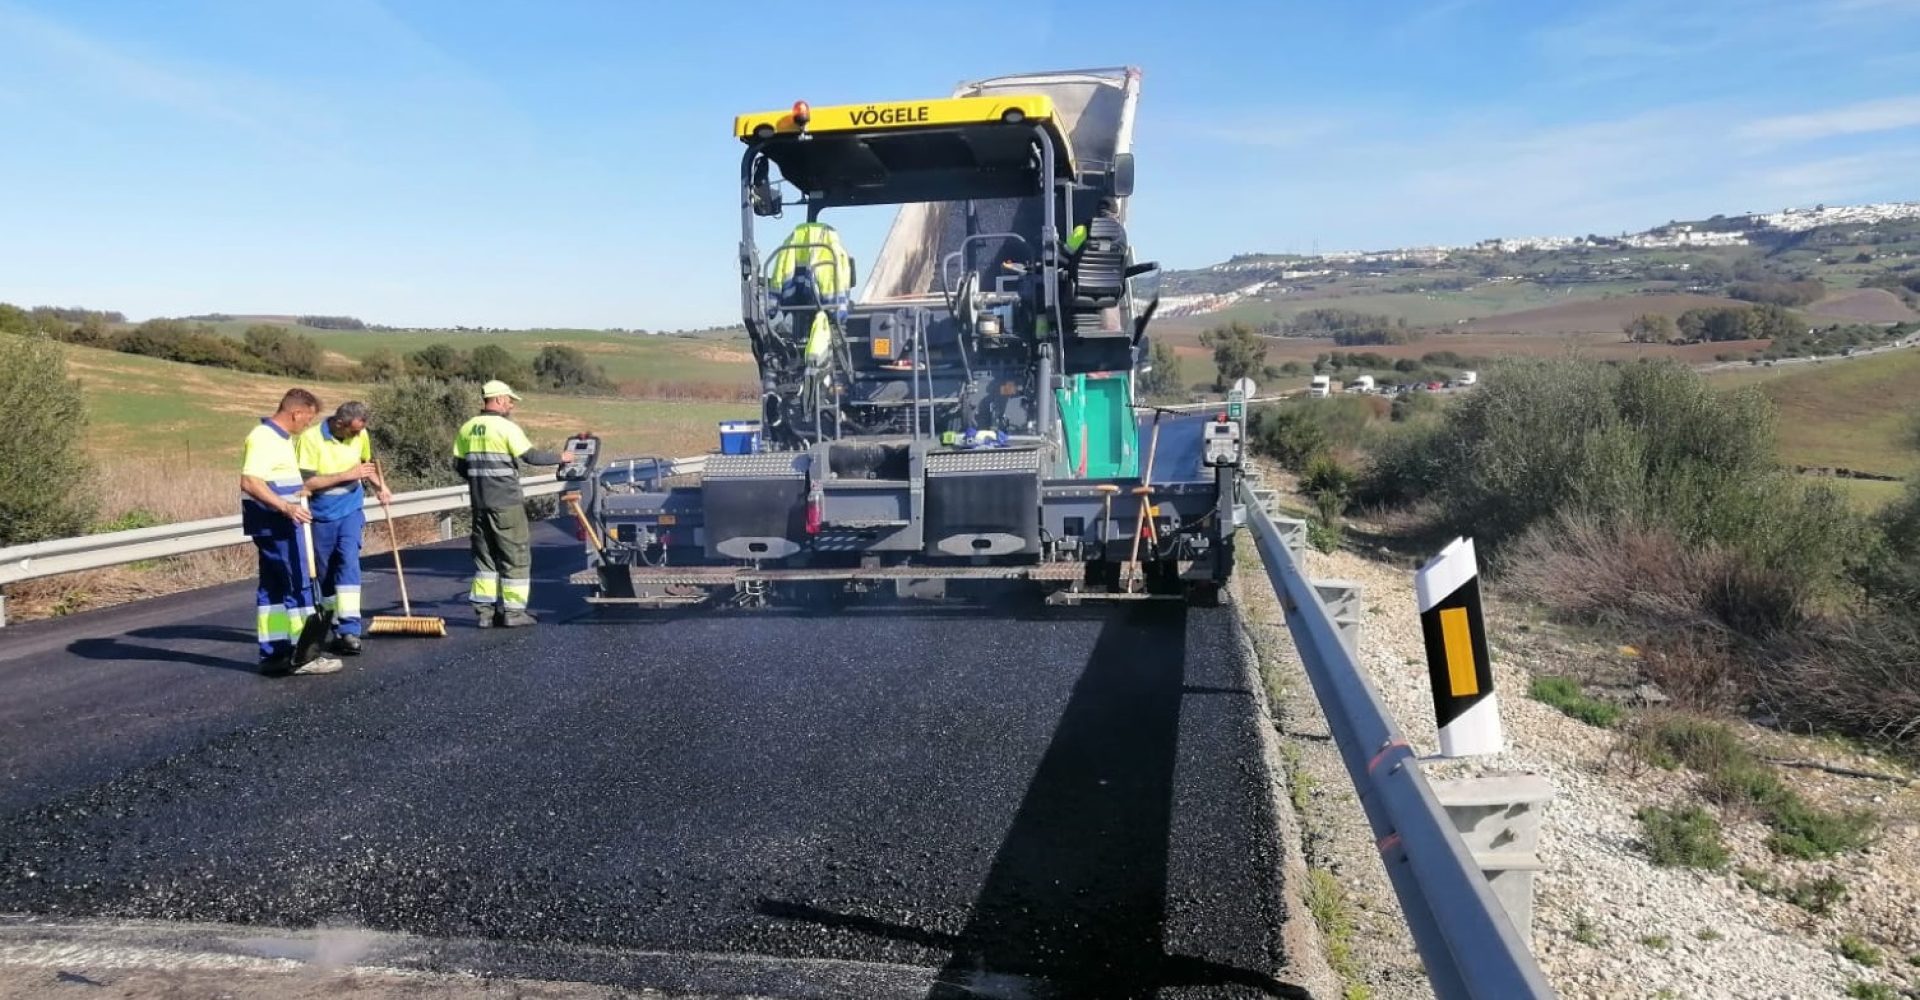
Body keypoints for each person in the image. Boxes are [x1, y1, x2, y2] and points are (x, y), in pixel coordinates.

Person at [240, 388, 342, 676]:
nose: (307, 425)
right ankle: (305, 654)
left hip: (276, 521)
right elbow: (250, 482)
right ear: (296, 412)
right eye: (307, 419)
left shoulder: (280, 439)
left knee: (272, 588)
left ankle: (274, 653)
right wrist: (286, 508)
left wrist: (300, 495)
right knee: (298, 583)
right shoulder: (264, 438)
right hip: (277, 523)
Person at [451, 380, 562, 628]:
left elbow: (459, 466)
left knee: (485, 560)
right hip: (506, 502)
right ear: (499, 399)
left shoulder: (468, 427)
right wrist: (562, 458)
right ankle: (513, 613)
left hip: (480, 504)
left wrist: (482, 481)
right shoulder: (505, 427)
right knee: (515, 556)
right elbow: (531, 456)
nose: (511, 404)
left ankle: (485, 613)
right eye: (510, 400)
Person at [295, 400, 392, 655]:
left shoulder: (361, 434)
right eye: (354, 431)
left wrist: (380, 486)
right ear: (339, 423)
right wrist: (347, 474)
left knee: (348, 562)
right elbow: (306, 483)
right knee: (325, 573)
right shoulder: (310, 439)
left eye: (361, 430)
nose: (358, 435)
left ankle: (350, 630)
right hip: (321, 514)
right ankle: (332, 622)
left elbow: (366, 466)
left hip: (351, 510)